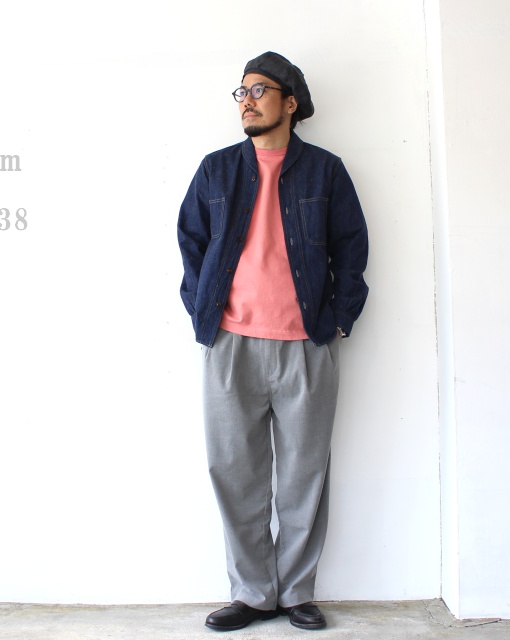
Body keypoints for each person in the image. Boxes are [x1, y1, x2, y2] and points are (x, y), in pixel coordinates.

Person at [177, 51, 369, 632]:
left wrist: (338, 320)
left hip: (306, 344)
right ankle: (253, 594)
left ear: (290, 102)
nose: (247, 100)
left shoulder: (325, 171)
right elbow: (191, 244)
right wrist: (204, 313)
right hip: (230, 344)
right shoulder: (216, 170)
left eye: (259, 90)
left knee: (305, 476)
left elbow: (352, 249)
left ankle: (296, 593)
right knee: (233, 472)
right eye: (240, 92)